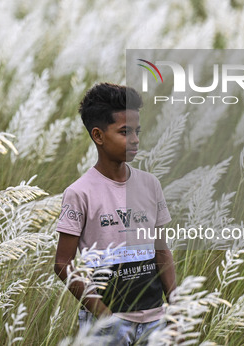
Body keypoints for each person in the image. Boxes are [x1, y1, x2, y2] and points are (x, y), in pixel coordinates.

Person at [54, 82, 176, 345]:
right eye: (124, 132)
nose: (135, 139)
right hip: (109, 322)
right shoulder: (80, 193)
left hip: (156, 320)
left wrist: (177, 309)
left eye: (137, 131)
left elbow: (162, 250)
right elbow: (63, 263)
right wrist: (104, 316)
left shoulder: (150, 185)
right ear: (98, 136)